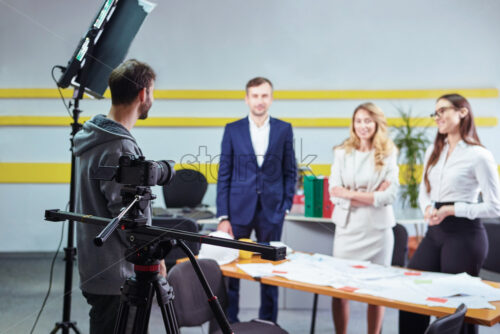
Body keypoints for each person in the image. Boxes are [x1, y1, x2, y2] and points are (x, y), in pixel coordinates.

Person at [74, 59, 166, 334]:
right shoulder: (119, 147)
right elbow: (129, 220)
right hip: (120, 277)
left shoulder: (94, 137)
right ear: (143, 94)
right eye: (152, 91)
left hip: (99, 269)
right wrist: (153, 256)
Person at [399, 93, 500, 334]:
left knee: (458, 308)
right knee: (411, 293)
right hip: (435, 231)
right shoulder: (434, 151)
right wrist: (427, 208)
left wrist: (452, 209)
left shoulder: (479, 155)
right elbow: (425, 191)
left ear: (462, 112)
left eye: (443, 110)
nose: (437, 117)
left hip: (465, 235)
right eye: (435, 112)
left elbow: (494, 206)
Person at [216, 77, 297, 323]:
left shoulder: (284, 129)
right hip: (238, 209)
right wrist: (223, 216)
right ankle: (229, 323)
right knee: (231, 272)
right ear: (247, 98)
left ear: (271, 98)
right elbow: (224, 174)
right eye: (255, 95)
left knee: (271, 272)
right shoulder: (233, 129)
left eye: (264, 95)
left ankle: (268, 323)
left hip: (272, 211)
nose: (260, 101)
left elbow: (290, 171)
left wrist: (285, 205)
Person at [329, 102, 399, 334]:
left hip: (378, 231)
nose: (363, 126)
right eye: (358, 121)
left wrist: (350, 193)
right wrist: (371, 194)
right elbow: (334, 192)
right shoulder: (341, 152)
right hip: (348, 229)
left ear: (377, 123)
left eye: (368, 121)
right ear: (353, 124)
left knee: (376, 291)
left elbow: (389, 196)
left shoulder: (389, 152)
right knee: (340, 291)